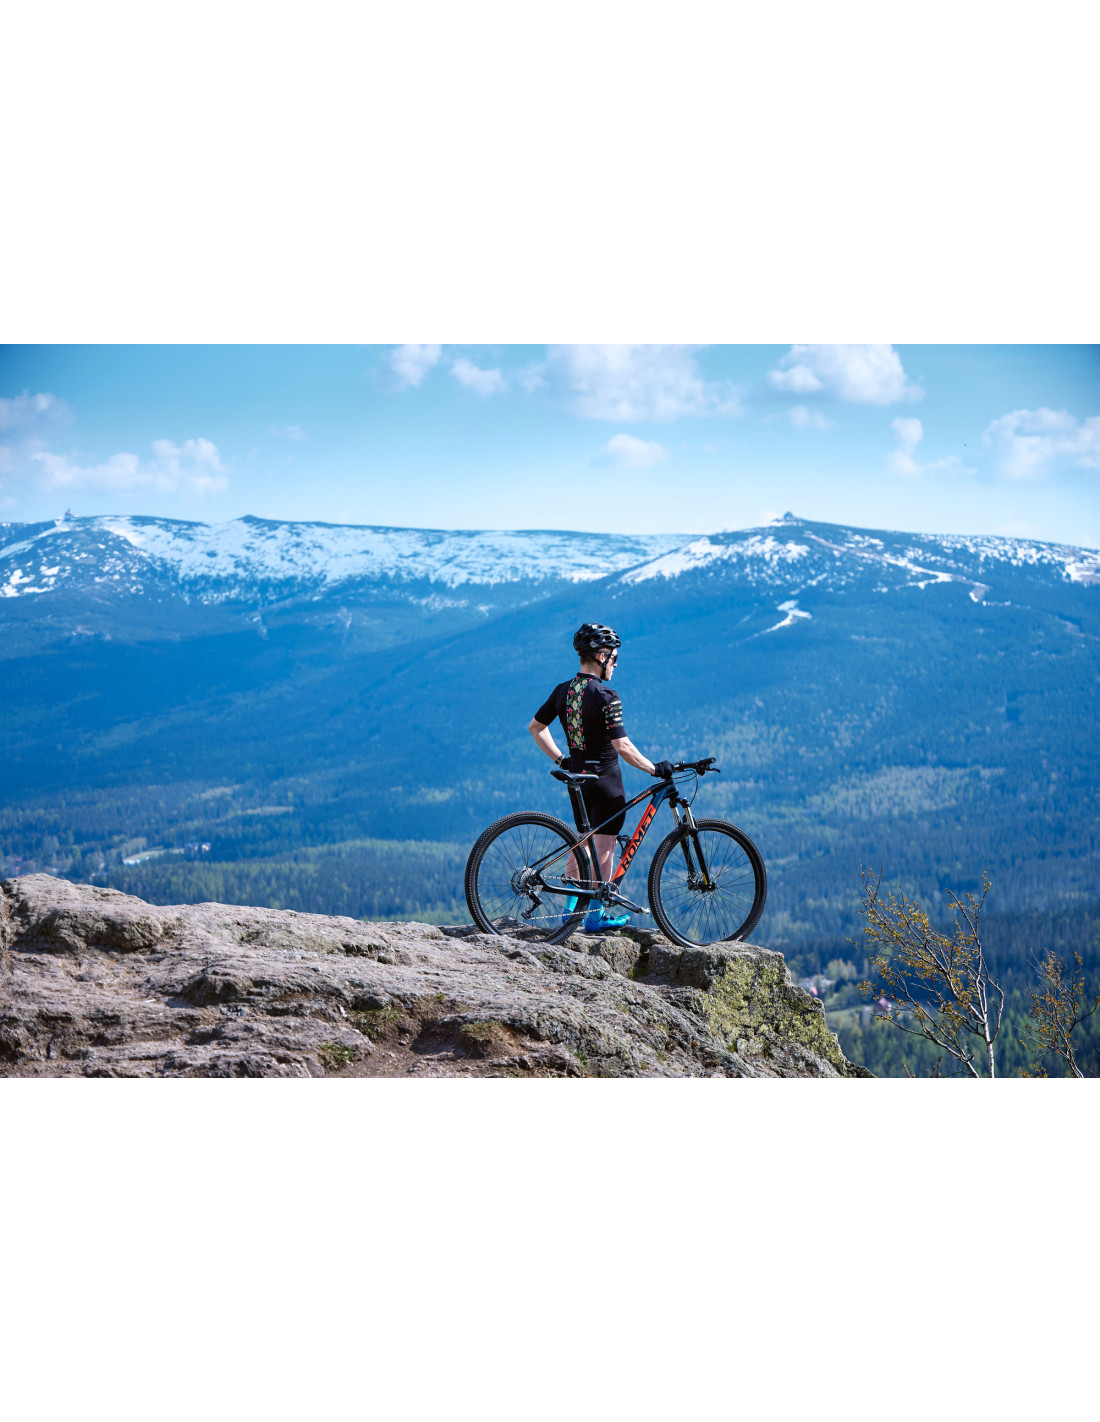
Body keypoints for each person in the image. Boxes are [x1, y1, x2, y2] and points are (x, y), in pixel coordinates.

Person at [529, 623, 673, 931]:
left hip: (578, 778)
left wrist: (561, 759)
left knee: (582, 843)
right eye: (614, 657)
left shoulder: (563, 690)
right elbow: (623, 746)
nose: (616, 664)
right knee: (604, 847)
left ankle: (570, 912)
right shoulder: (607, 695)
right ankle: (595, 917)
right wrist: (654, 768)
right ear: (601, 655)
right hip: (606, 781)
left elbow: (536, 728)